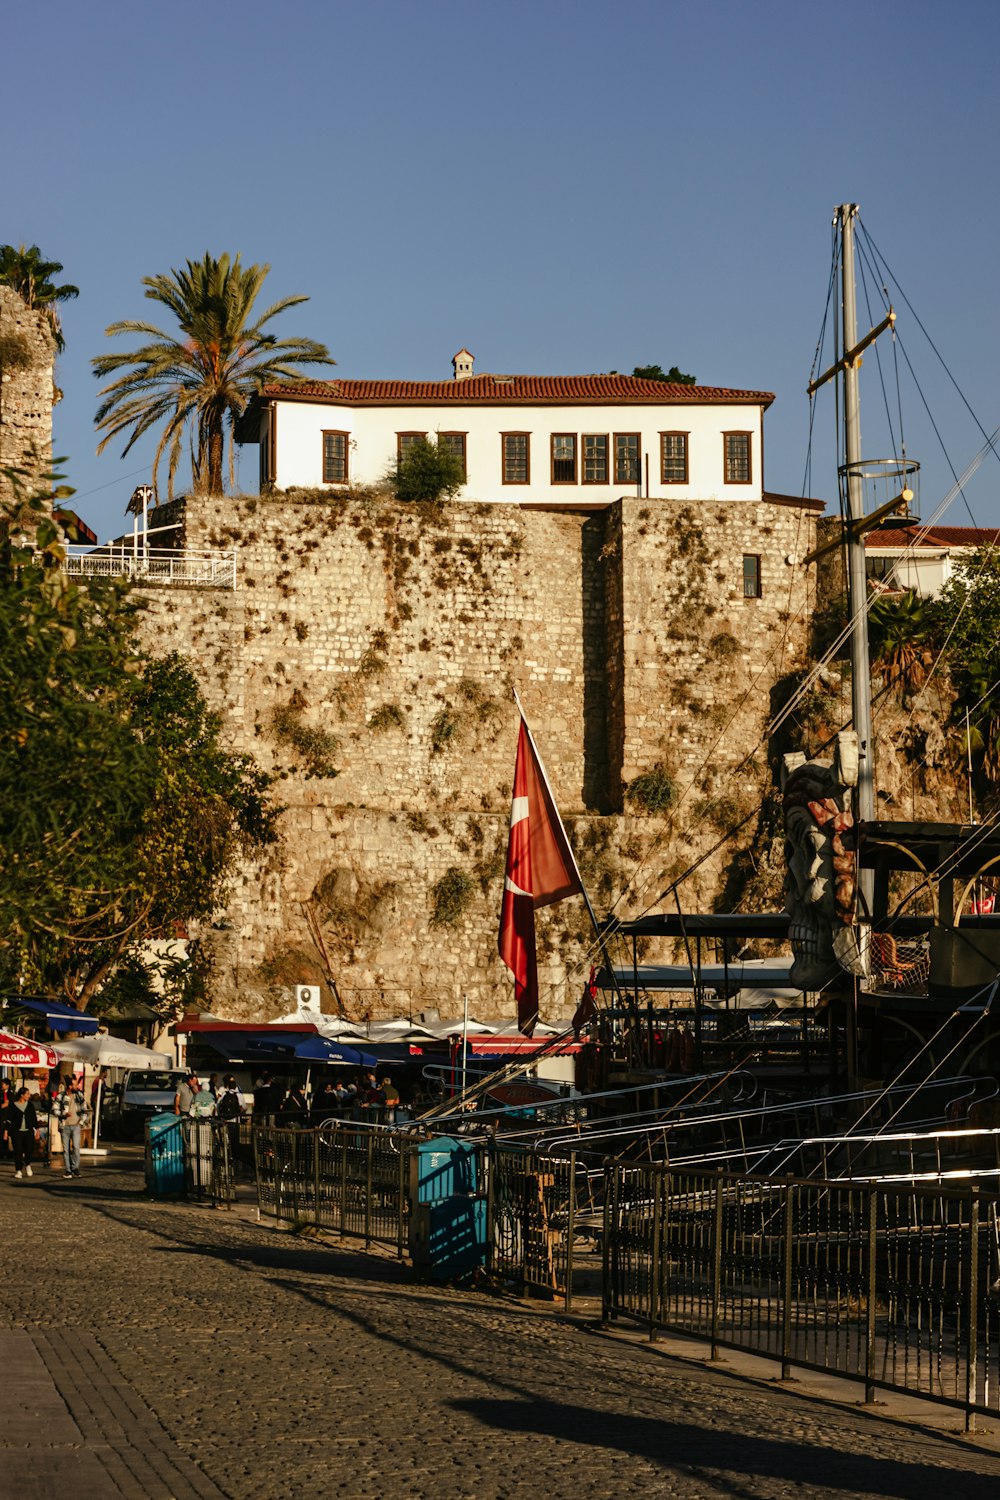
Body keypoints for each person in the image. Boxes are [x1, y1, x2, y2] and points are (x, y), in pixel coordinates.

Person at [53, 1078, 90, 1178]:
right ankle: (68, 1170)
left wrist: (81, 1121)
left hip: (76, 1125)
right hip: (64, 1126)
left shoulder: (79, 1095)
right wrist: (63, 1114)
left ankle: (75, 1168)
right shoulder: (60, 1096)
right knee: (66, 1150)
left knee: (76, 1148)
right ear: (69, 1086)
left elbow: (85, 1110)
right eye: (75, 1085)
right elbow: (54, 1109)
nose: (77, 1087)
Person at [5, 1086, 39, 1178]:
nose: (29, 1095)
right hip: (17, 1132)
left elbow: (34, 1119)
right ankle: (19, 1170)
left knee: (29, 1149)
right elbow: (9, 1119)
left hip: (28, 1131)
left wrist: (37, 1130)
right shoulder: (13, 1106)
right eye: (27, 1094)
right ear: (22, 1095)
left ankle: (27, 1164)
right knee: (18, 1151)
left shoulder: (30, 1105)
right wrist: (6, 1131)